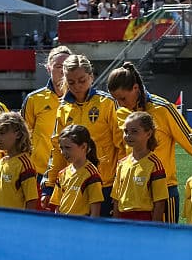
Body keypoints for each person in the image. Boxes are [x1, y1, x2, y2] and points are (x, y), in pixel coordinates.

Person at [109, 62, 192, 223]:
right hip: (133, 194)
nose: (119, 103)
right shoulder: (121, 112)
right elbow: (121, 152)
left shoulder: (163, 109)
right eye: (116, 99)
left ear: (135, 88)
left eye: (122, 98)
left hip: (163, 192)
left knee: (163, 244)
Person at [45, 54, 122, 216]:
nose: (77, 86)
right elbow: (58, 150)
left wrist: (120, 183)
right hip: (74, 183)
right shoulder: (63, 108)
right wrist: (50, 185)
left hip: (105, 183)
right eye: (71, 82)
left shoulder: (107, 103)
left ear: (91, 77)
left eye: (82, 80)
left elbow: (121, 145)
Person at [22, 45, 72, 182]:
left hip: (74, 171)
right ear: (48, 68)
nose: (62, 71)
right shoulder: (34, 99)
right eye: (58, 66)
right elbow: (23, 138)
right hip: (39, 173)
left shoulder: (83, 99)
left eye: (66, 66)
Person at [112, 111, 168, 221]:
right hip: (123, 219)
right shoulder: (122, 164)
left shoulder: (154, 164)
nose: (128, 136)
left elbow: (160, 202)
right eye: (126, 131)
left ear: (148, 134)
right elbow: (116, 199)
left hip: (144, 220)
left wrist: (153, 228)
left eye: (134, 131)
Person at [0, 112, 39, 211]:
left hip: (13, 222)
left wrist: (24, 222)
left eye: (2, 133)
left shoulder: (24, 164)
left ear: (18, 134)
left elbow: (31, 199)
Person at [50, 124, 103, 217]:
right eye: (61, 148)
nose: (63, 152)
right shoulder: (62, 173)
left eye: (68, 148)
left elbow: (95, 211)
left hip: (81, 226)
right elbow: (57, 206)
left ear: (83, 147)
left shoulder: (91, 174)